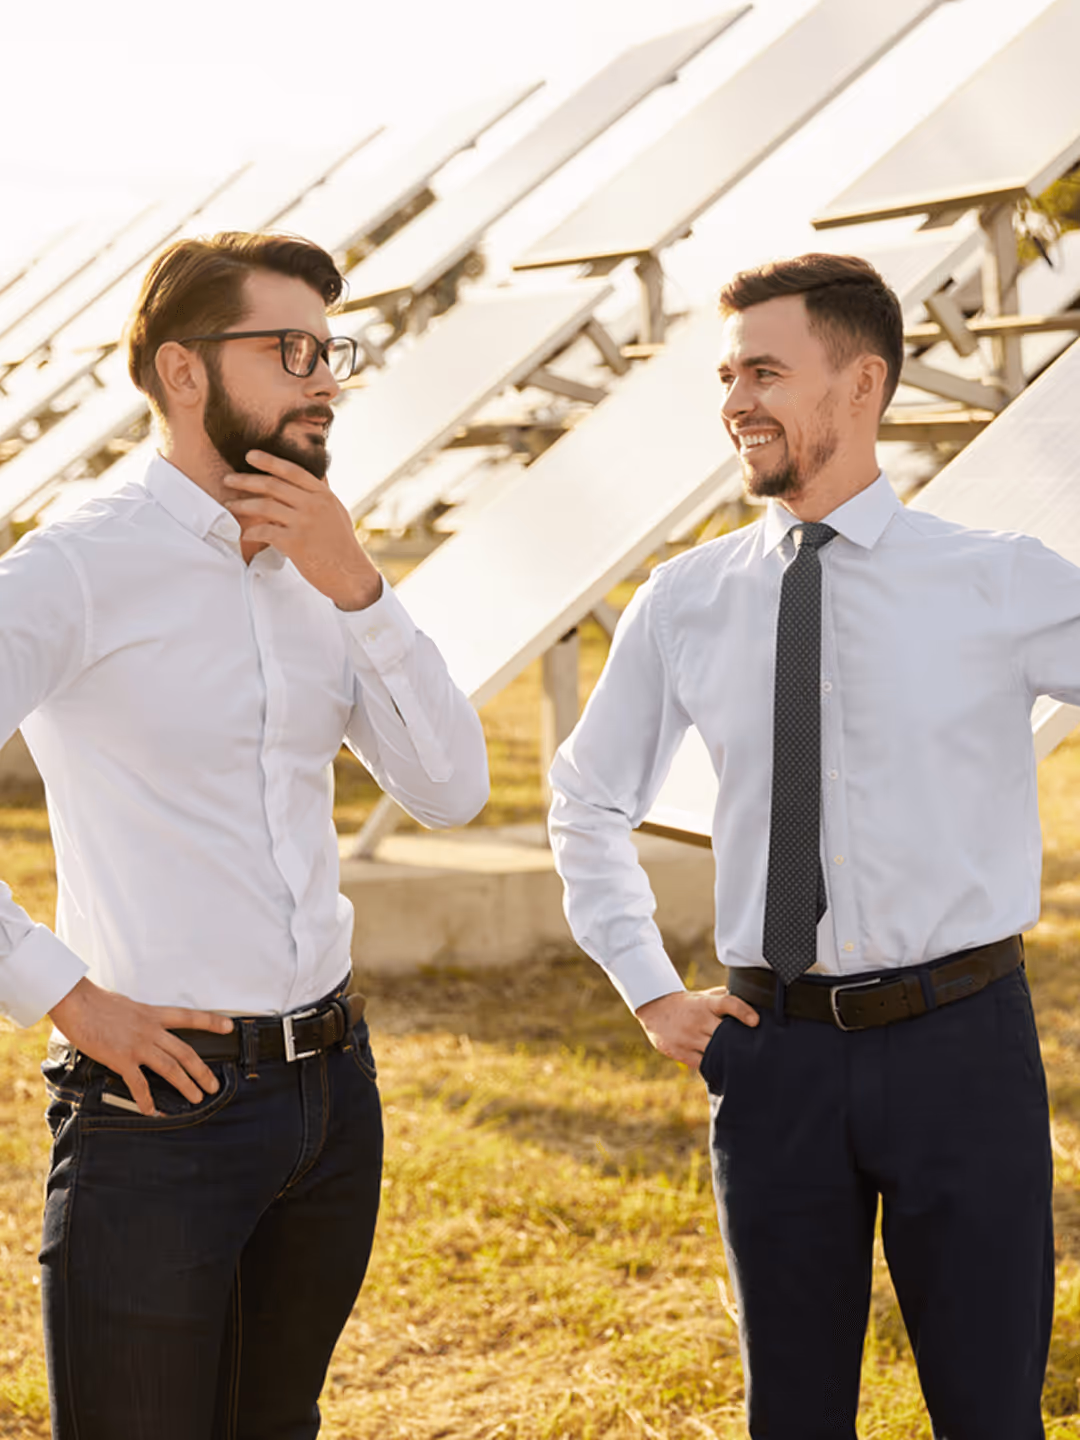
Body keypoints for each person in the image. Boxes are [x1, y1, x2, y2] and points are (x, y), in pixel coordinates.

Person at [548, 252, 1059, 1439]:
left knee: (990, 1412)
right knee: (793, 1416)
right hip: (772, 1059)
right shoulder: (688, 598)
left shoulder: (992, 581)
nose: (736, 401)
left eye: (766, 371)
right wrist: (645, 991)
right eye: (728, 375)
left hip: (962, 1052)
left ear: (861, 383)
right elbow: (583, 800)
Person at [0, 230, 489, 1440]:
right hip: (157, 1111)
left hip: (332, 1099)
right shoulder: (75, 567)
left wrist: (360, 584)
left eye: (331, 351)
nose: (325, 379)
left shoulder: (323, 565)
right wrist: (62, 991)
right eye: (291, 350)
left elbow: (451, 790)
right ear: (182, 372)